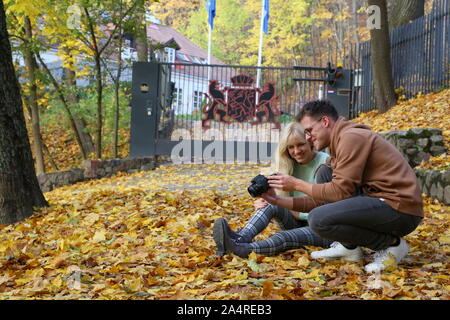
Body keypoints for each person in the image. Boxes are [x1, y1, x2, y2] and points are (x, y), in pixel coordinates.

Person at [262, 100, 423, 273]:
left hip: (400, 208)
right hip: (381, 202)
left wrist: (296, 184)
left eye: (309, 131)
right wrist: (277, 200)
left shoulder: (351, 137)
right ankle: (349, 247)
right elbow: (323, 200)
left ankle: (392, 245)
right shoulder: (338, 142)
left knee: (318, 219)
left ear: (325, 122)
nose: (307, 137)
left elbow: (339, 192)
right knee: (325, 172)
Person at [213, 122, 333, 258]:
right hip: (297, 222)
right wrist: (267, 200)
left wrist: (284, 204)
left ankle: (241, 250)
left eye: (300, 144)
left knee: (283, 237)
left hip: (323, 229)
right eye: (291, 147)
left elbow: (326, 206)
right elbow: (282, 201)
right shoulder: (289, 165)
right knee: (269, 204)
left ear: (310, 141)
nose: (296, 151)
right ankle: (240, 238)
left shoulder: (325, 164)